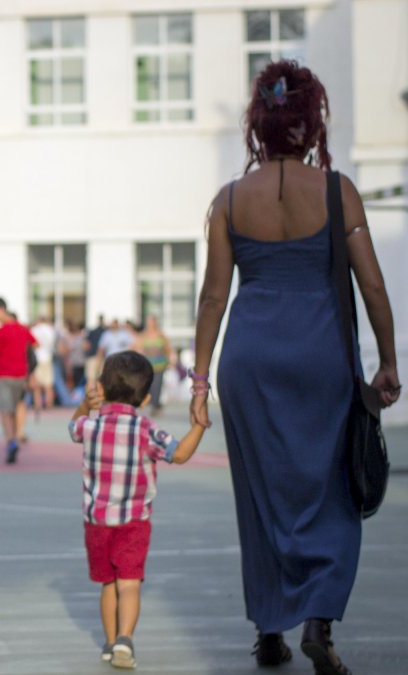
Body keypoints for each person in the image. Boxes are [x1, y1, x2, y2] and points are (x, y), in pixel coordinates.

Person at [192, 61, 400, 675]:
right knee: (331, 491)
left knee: (262, 498)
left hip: (249, 363)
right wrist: (387, 362)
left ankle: (269, 632)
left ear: (258, 123)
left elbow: (212, 297)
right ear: (312, 122)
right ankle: (319, 622)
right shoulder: (338, 191)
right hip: (321, 359)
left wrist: (200, 380)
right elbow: (373, 286)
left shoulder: (229, 200)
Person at [69, 351, 204, 669]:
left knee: (108, 584)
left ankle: (109, 641)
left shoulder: (92, 425)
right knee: (129, 582)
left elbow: (73, 426)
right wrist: (198, 426)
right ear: (144, 398)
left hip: (97, 523)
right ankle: (125, 641)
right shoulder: (146, 429)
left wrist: (87, 405)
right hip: (134, 523)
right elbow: (180, 454)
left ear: (102, 386)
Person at [0, 299, 36, 464]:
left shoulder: (0, 332)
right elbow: (34, 344)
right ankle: (16, 435)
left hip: (4, 374)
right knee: (16, 408)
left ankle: (11, 440)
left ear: (1, 310)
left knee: (5, 411)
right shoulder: (23, 329)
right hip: (21, 375)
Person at [133, 315, 174, 416]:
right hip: (147, 365)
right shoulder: (143, 335)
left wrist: (170, 361)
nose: (149, 325)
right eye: (148, 323)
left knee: (157, 386)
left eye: (151, 322)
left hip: (160, 365)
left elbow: (168, 349)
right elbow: (136, 347)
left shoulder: (161, 335)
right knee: (149, 386)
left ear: (155, 323)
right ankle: (152, 404)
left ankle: (155, 406)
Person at [29, 315, 57, 415]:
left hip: (37, 357)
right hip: (47, 357)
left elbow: (33, 343)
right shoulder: (51, 329)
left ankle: (38, 404)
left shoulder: (35, 329)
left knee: (37, 383)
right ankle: (49, 403)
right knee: (48, 383)